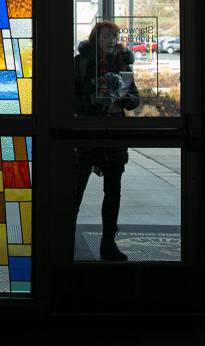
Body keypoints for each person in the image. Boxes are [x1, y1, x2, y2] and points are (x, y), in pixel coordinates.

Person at [72, 21, 140, 262]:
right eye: (107, 36)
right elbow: (69, 100)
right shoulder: (81, 64)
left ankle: (108, 242)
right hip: (88, 133)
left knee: (113, 190)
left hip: (114, 133)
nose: (112, 40)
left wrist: (123, 98)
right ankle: (65, 237)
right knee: (75, 189)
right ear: (95, 39)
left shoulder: (123, 64)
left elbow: (135, 99)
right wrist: (93, 97)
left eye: (115, 36)